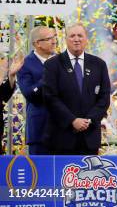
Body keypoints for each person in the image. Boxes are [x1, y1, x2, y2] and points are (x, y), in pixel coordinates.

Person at [42, 23, 111, 155]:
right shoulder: (52, 64)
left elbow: (104, 98)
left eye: (80, 35)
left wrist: (88, 120)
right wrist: (72, 120)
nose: (76, 39)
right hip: (61, 138)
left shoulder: (99, 65)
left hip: (89, 138)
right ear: (66, 39)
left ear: (86, 39)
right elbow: (50, 97)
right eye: (72, 36)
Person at [17, 26, 57, 155]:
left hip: (63, 129)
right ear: (37, 43)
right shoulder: (25, 64)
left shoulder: (62, 61)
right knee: (41, 172)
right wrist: (47, 75)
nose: (54, 41)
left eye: (54, 37)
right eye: (49, 38)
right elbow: (29, 94)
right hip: (40, 130)